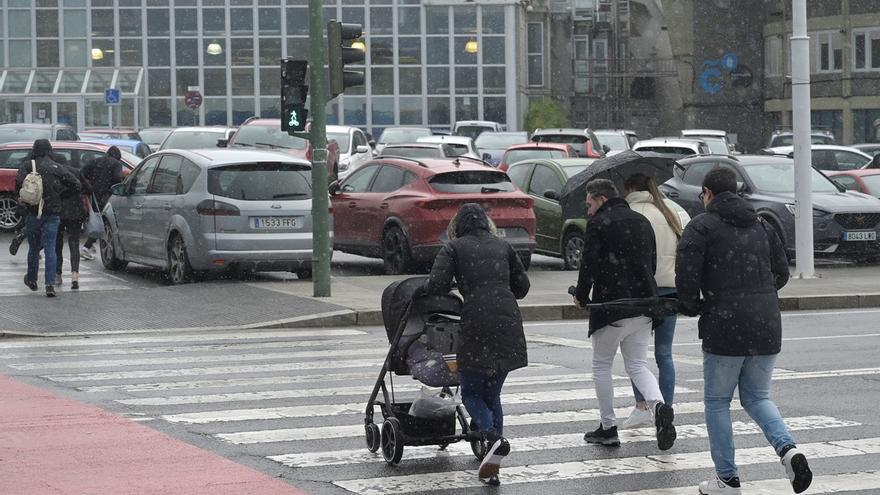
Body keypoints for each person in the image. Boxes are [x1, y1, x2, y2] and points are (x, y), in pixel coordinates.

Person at [676, 168, 812, 494]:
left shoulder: (701, 227)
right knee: (757, 396)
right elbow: (781, 274)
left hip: (724, 325)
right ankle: (787, 449)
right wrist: (756, 293)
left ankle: (728, 479)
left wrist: (695, 305)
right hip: (766, 323)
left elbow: (686, 283)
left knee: (718, 401)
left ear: (707, 192)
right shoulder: (762, 225)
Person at [420, 203, 530, 486]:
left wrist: (451, 284)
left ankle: (493, 438)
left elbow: (437, 286)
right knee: (492, 395)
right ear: (486, 223)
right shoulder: (503, 246)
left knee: (470, 392)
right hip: (508, 320)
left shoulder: (454, 248)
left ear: (458, 225)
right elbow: (523, 288)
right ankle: (493, 462)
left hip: (477, 322)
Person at [572, 179, 676, 451]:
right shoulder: (641, 221)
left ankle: (608, 427)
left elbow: (589, 265)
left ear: (601, 199)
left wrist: (581, 296)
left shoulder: (599, 224)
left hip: (612, 307)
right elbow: (651, 263)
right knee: (638, 365)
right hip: (643, 304)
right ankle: (659, 406)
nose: (588, 211)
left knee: (601, 365)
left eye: (589, 204)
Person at [620, 173, 690, 429]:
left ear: (629, 187)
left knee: (635, 358)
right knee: (664, 354)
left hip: (641, 290)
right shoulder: (670, 210)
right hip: (669, 290)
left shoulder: (628, 211)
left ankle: (642, 405)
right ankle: (666, 408)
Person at [15, 140, 80, 297]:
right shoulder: (56, 167)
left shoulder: (28, 165)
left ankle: (32, 279)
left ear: (35, 150)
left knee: (34, 247)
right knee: (50, 248)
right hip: (52, 213)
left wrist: (26, 197)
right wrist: (60, 196)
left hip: (33, 212)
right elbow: (76, 185)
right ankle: (49, 284)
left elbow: (18, 183)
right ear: (49, 150)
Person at [80, 146, 124, 260]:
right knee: (104, 224)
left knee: (97, 220)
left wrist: (88, 186)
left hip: (95, 196)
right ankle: (86, 247)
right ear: (118, 157)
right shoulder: (116, 164)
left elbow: (82, 172)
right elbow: (117, 178)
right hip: (108, 196)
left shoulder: (96, 161)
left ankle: (91, 245)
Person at [55, 158, 89, 290]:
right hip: (75, 211)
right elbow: (88, 189)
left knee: (58, 243)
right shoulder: (76, 172)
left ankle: (58, 274)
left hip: (59, 211)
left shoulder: (56, 172)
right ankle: (75, 276)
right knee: (74, 243)